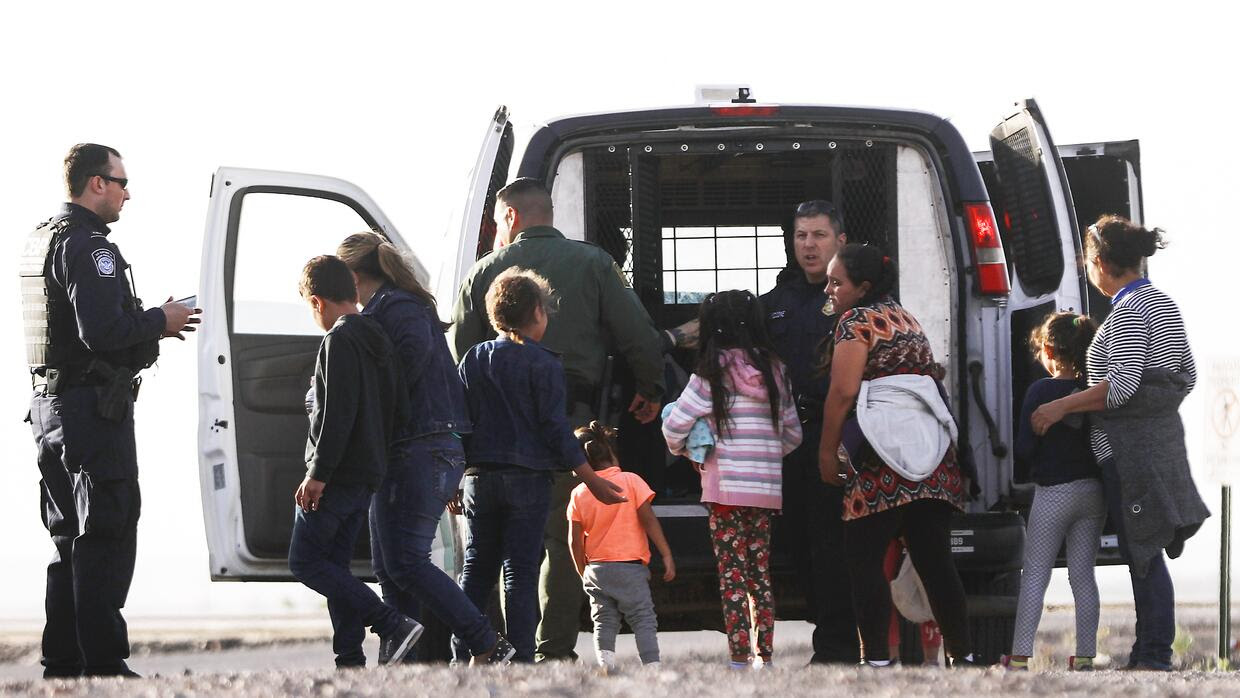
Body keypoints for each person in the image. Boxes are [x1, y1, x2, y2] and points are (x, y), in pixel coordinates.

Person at [450, 178, 665, 662]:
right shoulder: (594, 263)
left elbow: (458, 362)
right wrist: (651, 389)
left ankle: (491, 648)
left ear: (509, 217)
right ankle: (552, 649)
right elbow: (639, 337)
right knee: (566, 539)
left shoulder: (483, 272)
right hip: (574, 421)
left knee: (497, 556)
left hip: (496, 443)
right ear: (548, 212)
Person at [23, 144, 198, 678]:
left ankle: (64, 663)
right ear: (95, 183)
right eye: (121, 182)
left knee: (67, 539)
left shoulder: (44, 238)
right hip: (91, 413)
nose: (127, 194)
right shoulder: (87, 246)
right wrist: (159, 321)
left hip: (52, 410)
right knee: (106, 529)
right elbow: (101, 333)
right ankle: (102, 664)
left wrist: (149, 324)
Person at [1031, 216, 1208, 671]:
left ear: (1100, 262)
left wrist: (1061, 408)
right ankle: (1149, 650)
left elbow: (1122, 386)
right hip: (1158, 444)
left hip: (1131, 453)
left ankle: (1152, 654)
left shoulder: (1129, 310)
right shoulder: (1162, 302)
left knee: (1143, 551)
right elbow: (1184, 376)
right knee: (1143, 549)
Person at [334, 232, 511, 665]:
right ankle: (403, 666)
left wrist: (368, 407)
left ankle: (487, 641)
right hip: (407, 446)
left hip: (423, 444)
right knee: (390, 566)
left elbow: (405, 369)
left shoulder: (397, 308)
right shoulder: (388, 308)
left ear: (354, 276)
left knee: (407, 561)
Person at [456, 268, 627, 663]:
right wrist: (592, 480)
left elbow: (460, 421)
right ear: (536, 312)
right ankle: (518, 657)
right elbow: (554, 428)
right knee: (520, 570)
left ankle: (465, 650)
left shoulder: (473, 358)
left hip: (478, 479)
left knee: (477, 568)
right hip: (528, 480)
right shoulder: (544, 364)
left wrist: (455, 477)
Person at [816, 244, 975, 668]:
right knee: (935, 561)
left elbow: (844, 391)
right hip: (934, 455)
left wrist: (827, 450)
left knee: (863, 559)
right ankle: (962, 656)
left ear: (862, 287)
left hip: (880, 455)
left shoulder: (855, 322)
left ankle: (878, 661)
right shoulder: (906, 318)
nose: (828, 289)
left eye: (837, 282)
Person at [288, 255, 422, 668]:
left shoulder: (339, 340)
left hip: (338, 474)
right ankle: (348, 657)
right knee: (335, 566)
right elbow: (400, 409)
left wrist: (318, 474)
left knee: (306, 561)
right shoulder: (379, 338)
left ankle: (390, 623)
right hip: (368, 473)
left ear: (317, 301)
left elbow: (337, 413)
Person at [662, 289, 802, 669]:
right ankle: (765, 656)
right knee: (760, 573)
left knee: (732, 576)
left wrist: (690, 452)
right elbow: (793, 433)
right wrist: (766, 460)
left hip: (725, 492)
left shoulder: (710, 372)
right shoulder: (776, 370)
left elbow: (675, 425)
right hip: (766, 492)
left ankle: (739, 657)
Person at [759, 199, 858, 664]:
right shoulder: (780, 299)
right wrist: (668, 339)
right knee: (799, 542)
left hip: (838, 433)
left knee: (831, 543)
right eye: (800, 236)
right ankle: (831, 632)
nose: (808, 245)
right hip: (787, 439)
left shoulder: (854, 297)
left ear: (840, 240)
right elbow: (729, 328)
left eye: (818, 235)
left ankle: (838, 647)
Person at [1005, 312, 1105, 672]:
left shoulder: (1040, 392)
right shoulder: (1095, 391)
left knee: (1035, 573)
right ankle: (1086, 655)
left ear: (1048, 349)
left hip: (1054, 493)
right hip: (1094, 493)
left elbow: (1025, 448)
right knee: (1083, 574)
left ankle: (1019, 656)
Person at [568, 421, 675, 671]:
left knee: (603, 620)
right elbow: (648, 519)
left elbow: (574, 540)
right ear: (612, 452)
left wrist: (581, 570)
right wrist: (667, 553)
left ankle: (606, 665)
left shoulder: (579, 493)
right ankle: (652, 666)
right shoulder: (631, 480)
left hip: (596, 569)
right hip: (629, 568)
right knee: (642, 618)